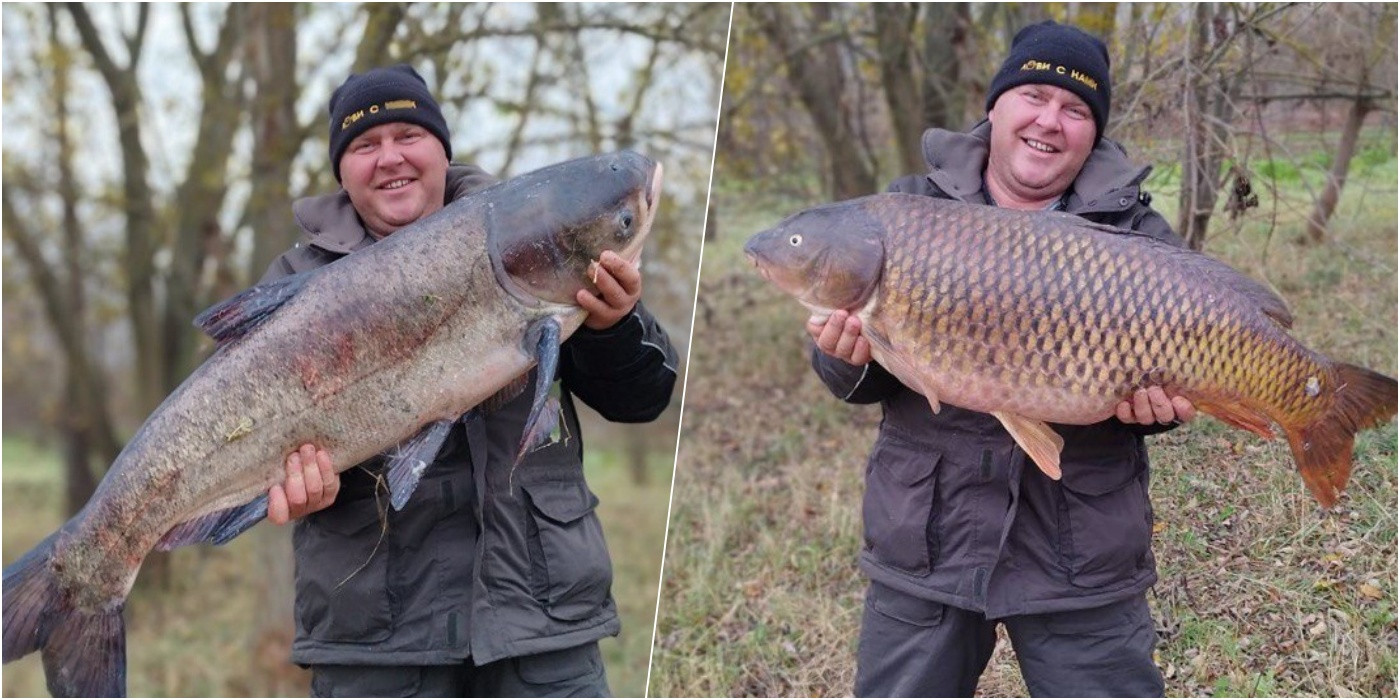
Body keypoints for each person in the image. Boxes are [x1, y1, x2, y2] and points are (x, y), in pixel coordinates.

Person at [254, 64, 678, 697]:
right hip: (377, 649)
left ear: (441, 149)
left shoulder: (540, 238)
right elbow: (258, 453)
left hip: (541, 629)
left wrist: (612, 325)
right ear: (342, 170)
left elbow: (643, 398)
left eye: (408, 135)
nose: (390, 157)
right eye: (365, 145)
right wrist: (307, 486)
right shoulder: (293, 283)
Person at [808, 22, 1195, 698]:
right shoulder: (907, 211)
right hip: (926, 539)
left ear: (1093, 133)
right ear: (997, 105)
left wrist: (1153, 412)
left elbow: (1166, 392)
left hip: (1081, 549)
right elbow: (863, 378)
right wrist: (846, 359)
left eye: (1076, 109)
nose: (1051, 120)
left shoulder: (1137, 236)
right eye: (1035, 95)